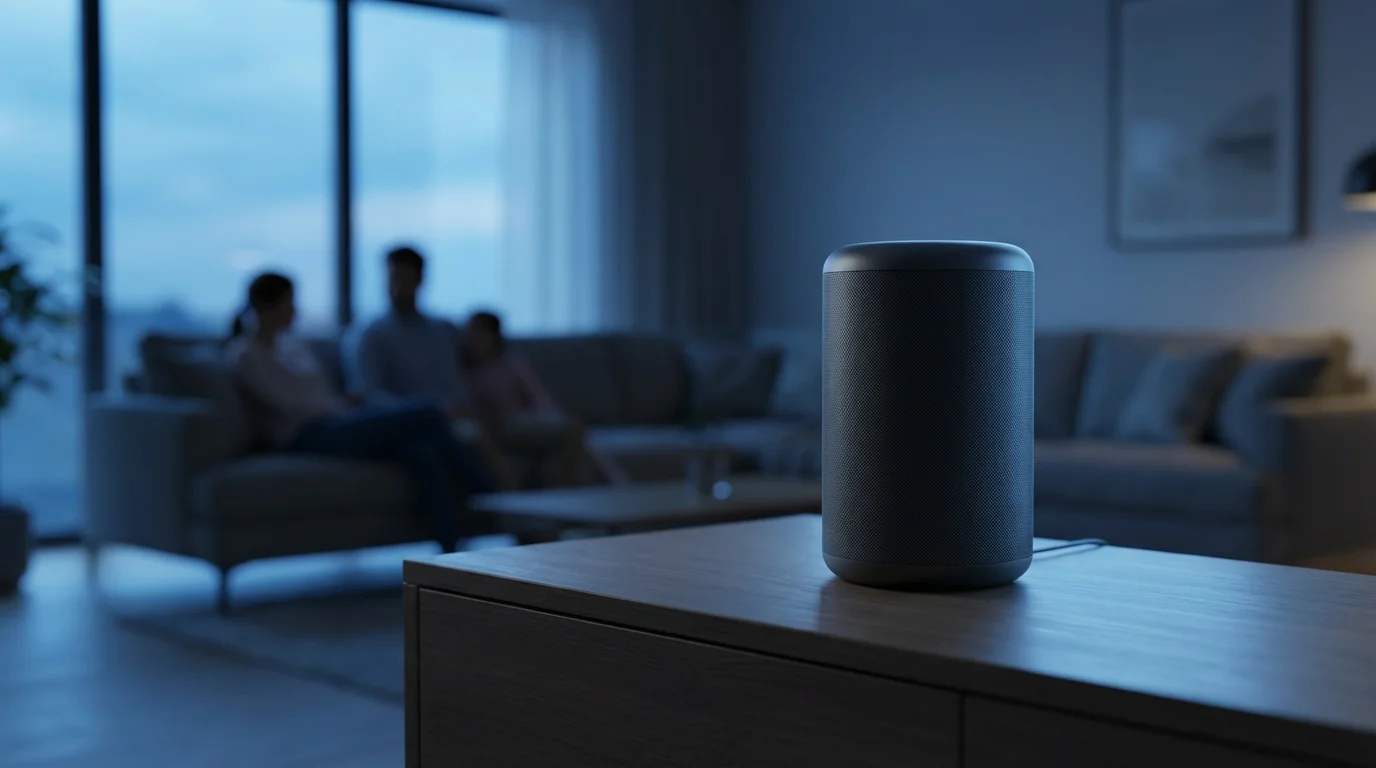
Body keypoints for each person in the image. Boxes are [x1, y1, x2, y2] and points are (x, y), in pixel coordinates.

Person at [225, 271, 494, 553]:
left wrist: (344, 404)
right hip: (305, 435)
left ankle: (450, 551)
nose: (295, 310)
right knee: (427, 412)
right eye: (289, 302)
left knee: (422, 451)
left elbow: (317, 392)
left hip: (335, 420)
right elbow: (287, 404)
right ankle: (489, 496)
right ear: (269, 307)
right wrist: (338, 407)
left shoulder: (292, 347)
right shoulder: (246, 354)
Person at [345, 246, 575, 487]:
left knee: (566, 433)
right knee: (470, 442)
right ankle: (509, 504)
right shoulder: (370, 336)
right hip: (428, 421)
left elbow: (484, 363)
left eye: (405, 278)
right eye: (393, 279)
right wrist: (434, 410)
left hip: (478, 414)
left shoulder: (445, 330)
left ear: (421, 279)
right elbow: (369, 396)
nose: (397, 287)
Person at [462, 310, 624, 486]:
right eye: (469, 332)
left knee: (575, 433)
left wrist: (547, 415)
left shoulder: (510, 362)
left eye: (478, 332)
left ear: (493, 336)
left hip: (527, 418)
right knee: (574, 432)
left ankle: (609, 482)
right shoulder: (466, 371)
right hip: (502, 424)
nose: (471, 339)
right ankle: (607, 483)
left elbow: (537, 395)